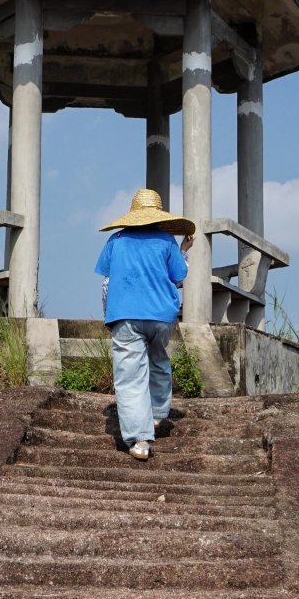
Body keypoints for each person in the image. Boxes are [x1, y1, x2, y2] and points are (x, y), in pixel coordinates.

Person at [94, 189, 195, 459]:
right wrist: (184, 251)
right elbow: (178, 278)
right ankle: (158, 414)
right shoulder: (167, 241)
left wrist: (108, 315)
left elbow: (107, 281)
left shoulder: (116, 240)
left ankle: (140, 440)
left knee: (130, 377)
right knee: (159, 360)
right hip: (161, 315)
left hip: (125, 313)